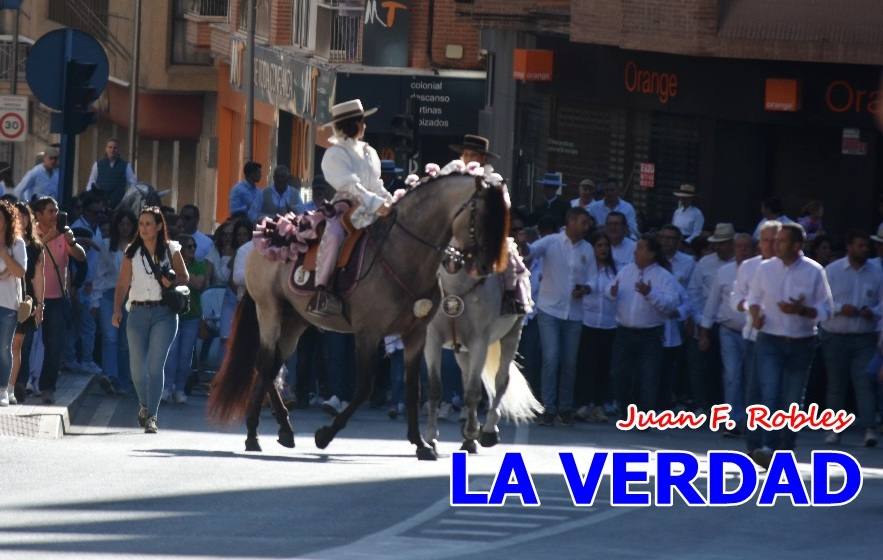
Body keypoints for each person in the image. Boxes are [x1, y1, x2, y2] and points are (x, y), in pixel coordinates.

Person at [747, 223, 833, 468]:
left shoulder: (814, 271)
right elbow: (752, 299)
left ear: (797, 246)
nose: (776, 245)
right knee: (770, 392)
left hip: (801, 341)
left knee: (792, 398)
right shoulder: (765, 269)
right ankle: (767, 446)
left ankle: (785, 448)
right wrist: (755, 314)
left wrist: (802, 310)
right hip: (770, 338)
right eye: (776, 240)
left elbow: (828, 310)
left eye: (783, 241)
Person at [311, 99, 392, 317]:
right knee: (335, 234)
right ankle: (322, 291)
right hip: (346, 207)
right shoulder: (334, 154)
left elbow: (376, 184)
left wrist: (391, 203)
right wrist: (376, 204)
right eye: (362, 122)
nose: (365, 126)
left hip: (372, 206)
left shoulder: (370, 152)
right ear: (353, 125)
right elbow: (350, 185)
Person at [113, 206, 189, 434]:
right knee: (137, 369)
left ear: (158, 226)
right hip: (136, 312)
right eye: (141, 224)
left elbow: (185, 277)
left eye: (148, 223)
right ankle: (144, 405)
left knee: (155, 367)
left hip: (164, 313)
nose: (144, 228)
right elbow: (122, 284)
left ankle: (152, 416)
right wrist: (117, 310)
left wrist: (172, 282)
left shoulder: (171, 249)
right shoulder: (131, 251)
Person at [524, 206, 594, 426]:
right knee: (551, 358)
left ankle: (565, 407)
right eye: (583, 222)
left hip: (574, 314)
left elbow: (593, 279)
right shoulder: (551, 241)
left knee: (569, 362)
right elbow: (531, 252)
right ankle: (548, 406)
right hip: (549, 310)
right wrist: (522, 243)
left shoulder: (588, 249)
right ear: (571, 221)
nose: (586, 227)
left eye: (588, 223)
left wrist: (585, 289)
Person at [452, 134, 529, 315]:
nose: (468, 158)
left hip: (485, 232)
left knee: (508, 255)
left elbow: (505, 207)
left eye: (473, 155)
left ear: (483, 158)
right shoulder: (453, 176)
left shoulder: (494, 180)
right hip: (455, 230)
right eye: (466, 154)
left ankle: (510, 298)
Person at [820, 230, 880, 447]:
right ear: (849, 247)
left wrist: (872, 311)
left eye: (866, 246)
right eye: (860, 245)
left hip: (864, 335)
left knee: (864, 383)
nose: (864, 249)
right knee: (836, 384)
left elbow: (882, 303)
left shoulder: (876, 272)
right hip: (836, 335)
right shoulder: (832, 271)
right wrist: (838, 309)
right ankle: (834, 429)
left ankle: (869, 428)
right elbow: (820, 301)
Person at [607, 235, 680, 413]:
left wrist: (650, 293)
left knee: (648, 375)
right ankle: (625, 409)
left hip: (650, 334)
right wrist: (612, 292)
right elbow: (610, 290)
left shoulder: (664, 276)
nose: (635, 251)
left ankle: (645, 414)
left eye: (640, 248)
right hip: (624, 332)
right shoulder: (626, 271)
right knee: (619, 372)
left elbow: (671, 303)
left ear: (651, 254)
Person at [732, 220, 781, 456]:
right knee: (754, 393)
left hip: (781, 336)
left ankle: (772, 443)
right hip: (754, 337)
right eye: (765, 240)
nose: (769, 245)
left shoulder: (787, 267)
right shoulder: (749, 266)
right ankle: (754, 445)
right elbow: (736, 297)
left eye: (775, 241)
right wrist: (747, 306)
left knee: (774, 392)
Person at [699, 233, 753, 436]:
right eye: (738, 247)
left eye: (746, 247)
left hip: (754, 333)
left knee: (752, 376)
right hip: (728, 331)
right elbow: (712, 303)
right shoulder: (724, 272)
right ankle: (733, 420)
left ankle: (751, 419)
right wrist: (704, 332)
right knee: (732, 375)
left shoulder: (762, 271)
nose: (742, 251)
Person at [34, 196, 86, 404]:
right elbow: (30, 253)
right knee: (24, 344)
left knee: (54, 346)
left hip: (56, 300)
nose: (55, 215)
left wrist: (70, 240)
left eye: (56, 210)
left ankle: (48, 387)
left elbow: (81, 257)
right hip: (33, 297)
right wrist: (48, 237)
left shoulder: (64, 233)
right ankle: (18, 384)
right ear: (38, 215)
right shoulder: (32, 232)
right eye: (50, 211)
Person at [163, 234, 212, 404]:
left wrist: (182, 275)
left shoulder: (199, 265)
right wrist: (182, 277)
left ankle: (180, 389)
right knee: (171, 354)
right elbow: (169, 282)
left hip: (192, 316)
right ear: (180, 250)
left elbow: (199, 283)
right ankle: (167, 387)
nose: (192, 250)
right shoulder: (169, 265)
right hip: (172, 314)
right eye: (188, 247)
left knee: (185, 356)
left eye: (194, 247)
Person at [575, 231, 617, 422]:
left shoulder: (615, 271)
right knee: (586, 365)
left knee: (603, 367)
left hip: (609, 324)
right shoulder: (585, 269)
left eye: (606, 246)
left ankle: (599, 405)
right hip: (587, 322)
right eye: (599, 246)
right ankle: (583, 403)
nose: (603, 249)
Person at [96, 210, 137, 394]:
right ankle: (109, 376)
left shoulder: (139, 247)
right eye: (122, 224)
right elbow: (100, 273)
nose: (125, 227)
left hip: (131, 297)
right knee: (110, 337)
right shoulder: (106, 245)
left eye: (128, 224)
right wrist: (94, 302)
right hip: (109, 295)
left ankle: (123, 381)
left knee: (125, 342)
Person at [8, 202, 44, 404]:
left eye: (24, 216)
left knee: (16, 345)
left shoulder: (35, 247)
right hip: (5, 296)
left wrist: (39, 306)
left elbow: (38, 279)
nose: (20, 219)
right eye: (17, 216)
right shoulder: (6, 242)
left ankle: (10, 388)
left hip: (25, 300)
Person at [71, 191, 107, 376]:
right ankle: (79, 360)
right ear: (85, 211)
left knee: (87, 326)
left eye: (101, 212)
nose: (98, 216)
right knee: (80, 326)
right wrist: (78, 284)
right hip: (80, 285)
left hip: (93, 285)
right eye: (94, 212)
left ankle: (83, 359)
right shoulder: (78, 228)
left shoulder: (97, 229)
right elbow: (75, 261)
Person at [0, 201, 26, 406]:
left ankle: (3, 389)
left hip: (8, 304)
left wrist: (2, 251)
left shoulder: (17, 244)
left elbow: (19, 272)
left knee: (4, 347)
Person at [85, 138, 138, 209]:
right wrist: (90, 196)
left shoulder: (126, 166)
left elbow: (133, 184)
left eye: (115, 148)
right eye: (110, 147)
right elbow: (92, 181)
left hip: (119, 206)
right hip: (100, 205)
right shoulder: (97, 164)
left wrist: (128, 199)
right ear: (106, 149)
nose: (112, 150)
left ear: (118, 150)